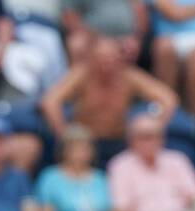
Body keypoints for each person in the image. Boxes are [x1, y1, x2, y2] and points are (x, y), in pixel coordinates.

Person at [41, 36, 179, 167]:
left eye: (110, 59)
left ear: (119, 59)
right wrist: (64, 134)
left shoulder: (129, 76)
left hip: (119, 141)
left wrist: (154, 126)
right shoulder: (82, 74)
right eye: (101, 59)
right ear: (92, 59)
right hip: (86, 142)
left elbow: (168, 99)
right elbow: (50, 101)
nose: (106, 65)